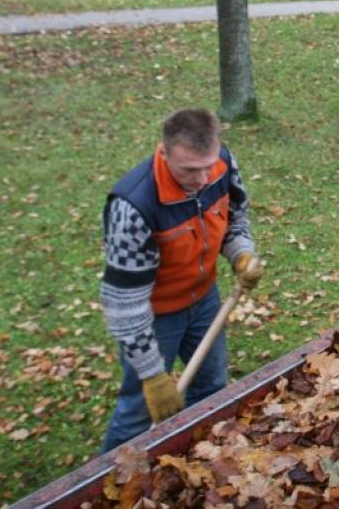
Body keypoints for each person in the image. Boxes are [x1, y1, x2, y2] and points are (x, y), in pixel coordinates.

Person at [99, 108, 263, 452]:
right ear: (164, 151)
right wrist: (151, 372)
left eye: (208, 164)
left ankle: (194, 458)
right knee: (138, 412)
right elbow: (124, 305)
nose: (203, 178)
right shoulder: (135, 205)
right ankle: (105, 485)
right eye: (189, 169)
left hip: (204, 303)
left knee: (211, 388)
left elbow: (234, 220)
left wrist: (241, 254)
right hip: (155, 317)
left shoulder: (221, 164)